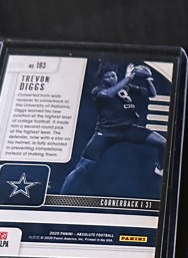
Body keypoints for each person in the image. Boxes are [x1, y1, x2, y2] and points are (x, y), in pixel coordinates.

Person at [60, 63, 165, 194]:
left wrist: (148, 79)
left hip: (127, 129)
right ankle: (60, 197)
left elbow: (152, 94)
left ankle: (160, 169)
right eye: (107, 76)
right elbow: (109, 95)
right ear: (102, 79)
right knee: (82, 168)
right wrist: (129, 77)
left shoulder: (126, 86)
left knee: (162, 143)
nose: (111, 78)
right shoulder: (98, 90)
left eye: (113, 75)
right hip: (105, 133)